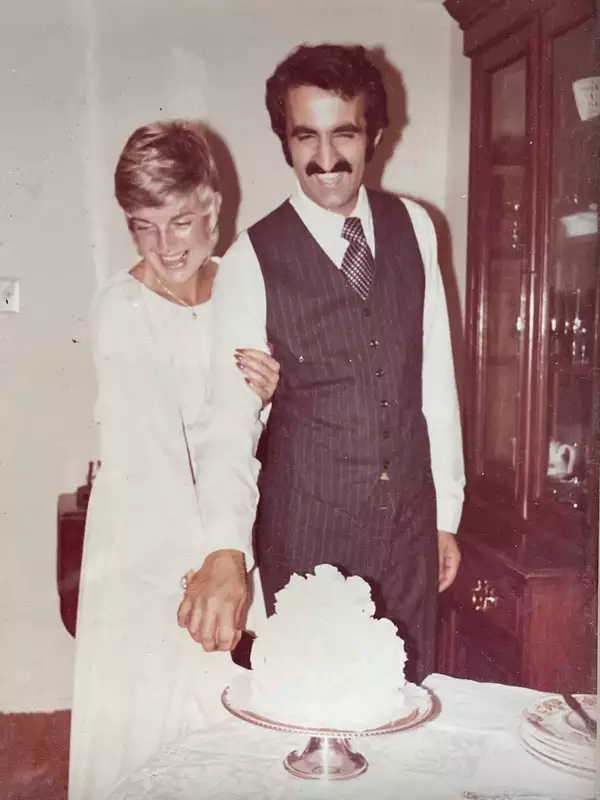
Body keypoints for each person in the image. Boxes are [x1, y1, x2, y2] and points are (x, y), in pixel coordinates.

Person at [179, 43, 465, 685]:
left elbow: (437, 384)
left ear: (375, 135)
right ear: (285, 139)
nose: (327, 159)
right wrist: (225, 545)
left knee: (404, 707)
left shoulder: (416, 228)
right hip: (310, 532)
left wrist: (447, 514)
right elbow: (229, 420)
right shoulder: (253, 258)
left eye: (345, 134)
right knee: (314, 721)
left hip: (410, 534)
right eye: (306, 136)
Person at [68, 120, 280, 800]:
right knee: (150, 734)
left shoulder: (242, 289)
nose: (166, 246)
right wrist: (220, 568)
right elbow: (159, 463)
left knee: (231, 734)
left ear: (213, 204)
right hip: (146, 549)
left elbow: (236, 433)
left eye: (181, 221)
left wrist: (274, 398)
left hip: (224, 536)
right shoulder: (122, 310)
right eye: (143, 226)